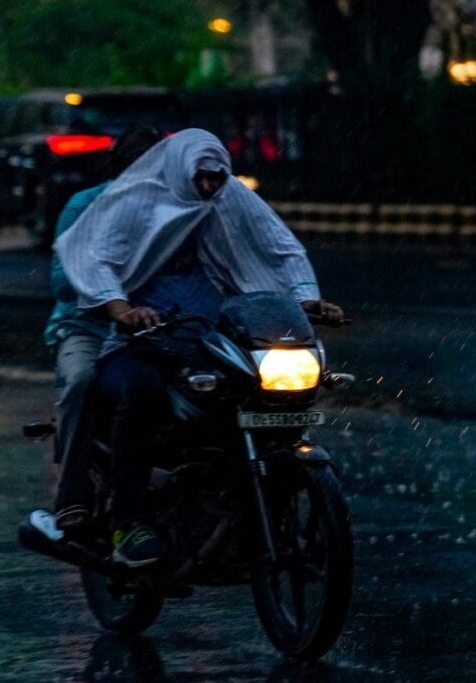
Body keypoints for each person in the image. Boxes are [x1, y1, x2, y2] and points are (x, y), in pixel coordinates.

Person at [55, 128, 343, 569]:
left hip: (212, 338)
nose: (209, 187)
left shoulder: (224, 201)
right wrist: (123, 309)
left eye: (216, 178)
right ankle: (128, 521)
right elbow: (90, 259)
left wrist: (305, 300)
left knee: (263, 395)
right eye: (201, 179)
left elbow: (274, 249)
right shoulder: (126, 205)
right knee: (140, 392)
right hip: (141, 341)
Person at [47, 126, 163, 533]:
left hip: (164, 327)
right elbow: (63, 281)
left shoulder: (180, 208)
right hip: (89, 327)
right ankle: (71, 494)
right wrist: (115, 300)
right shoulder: (85, 207)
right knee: (81, 381)